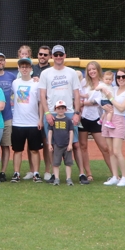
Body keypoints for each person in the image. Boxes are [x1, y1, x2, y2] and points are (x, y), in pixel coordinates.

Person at [38, 45, 83, 183]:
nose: (58, 57)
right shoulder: (46, 73)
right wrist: (46, 113)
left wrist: (76, 113)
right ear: (52, 56)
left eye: (60, 54)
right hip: (52, 111)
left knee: (75, 144)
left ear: (65, 55)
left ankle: (81, 174)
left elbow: (77, 94)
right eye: (56, 54)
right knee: (51, 144)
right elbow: (42, 95)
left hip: (69, 112)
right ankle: (54, 174)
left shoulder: (71, 72)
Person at [77, 61, 113, 184]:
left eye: (94, 69)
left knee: (104, 147)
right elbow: (78, 96)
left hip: (97, 118)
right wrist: (81, 103)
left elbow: (98, 101)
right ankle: (88, 174)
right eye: (89, 69)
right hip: (83, 117)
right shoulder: (83, 83)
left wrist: (83, 102)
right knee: (83, 146)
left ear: (98, 70)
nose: (92, 71)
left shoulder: (104, 84)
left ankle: (115, 174)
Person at [10, 57, 44, 182]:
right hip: (18, 123)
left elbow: (41, 103)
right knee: (17, 150)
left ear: (31, 69)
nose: (24, 69)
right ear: (19, 68)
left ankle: (36, 173)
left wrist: (40, 119)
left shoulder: (36, 84)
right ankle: (16, 173)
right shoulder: (15, 83)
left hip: (33, 122)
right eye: (22, 66)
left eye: (27, 67)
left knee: (34, 150)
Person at [101, 69, 125, 186]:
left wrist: (110, 98)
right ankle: (115, 176)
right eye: (118, 77)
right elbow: (103, 100)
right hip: (107, 118)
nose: (121, 79)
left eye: (123, 77)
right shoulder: (113, 88)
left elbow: (121, 108)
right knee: (110, 150)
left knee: (117, 151)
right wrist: (104, 107)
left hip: (119, 120)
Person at [0, 53, 15, 180]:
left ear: (5, 62)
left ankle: (3, 172)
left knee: (5, 145)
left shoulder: (12, 76)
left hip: (7, 116)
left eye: (2, 60)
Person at [48, 100, 75, 184]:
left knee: (68, 163)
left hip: (67, 145)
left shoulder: (68, 120)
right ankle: (56, 178)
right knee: (55, 163)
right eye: (59, 108)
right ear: (55, 109)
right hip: (57, 145)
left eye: (63, 108)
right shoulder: (53, 120)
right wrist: (49, 144)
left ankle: (68, 179)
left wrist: (70, 144)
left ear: (66, 109)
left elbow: (71, 132)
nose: (61, 110)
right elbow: (50, 132)